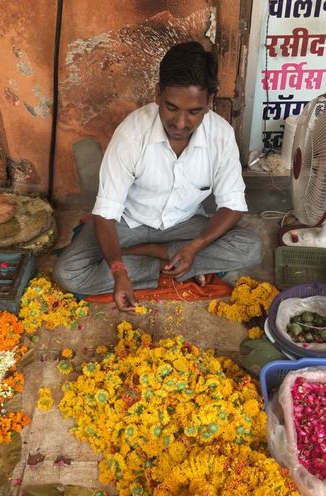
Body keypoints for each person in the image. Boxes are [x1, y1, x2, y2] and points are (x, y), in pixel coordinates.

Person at [53, 41, 262, 312]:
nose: (181, 123)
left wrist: (195, 246)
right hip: (127, 224)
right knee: (69, 273)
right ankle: (164, 263)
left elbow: (233, 205)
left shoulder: (220, 135)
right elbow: (105, 213)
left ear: (210, 101)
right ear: (157, 94)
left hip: (185, 224)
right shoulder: (131, 134)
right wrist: (117, 271)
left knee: (251, 247)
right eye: (171, 107)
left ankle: (158, 256)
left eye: (194, 111)